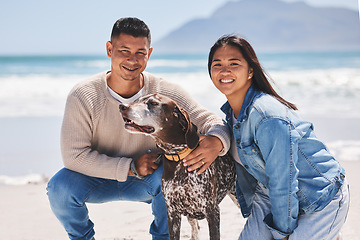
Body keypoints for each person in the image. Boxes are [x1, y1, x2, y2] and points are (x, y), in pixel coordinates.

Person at [46, 17, 231, 240]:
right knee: (59, 188)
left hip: (150, 180)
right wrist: (130, 167)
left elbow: (209, 119)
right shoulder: (84, 95)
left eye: (140, 53)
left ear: (149, 53)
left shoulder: (163, 93)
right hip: (96, 179)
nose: (132, 60)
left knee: (171, 175)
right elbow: (74, 157)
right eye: (124, 50)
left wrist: (218, 141)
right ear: (109, 49)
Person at [207, 35, 350, 240]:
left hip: (319, 196)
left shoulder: (267, 116)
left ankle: (328, 230)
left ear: (250, 71)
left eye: (234, 63)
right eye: (217, 64)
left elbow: (284, 181)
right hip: (271, 195)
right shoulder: (232, 114)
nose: (224, 70)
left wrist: (281, 233)